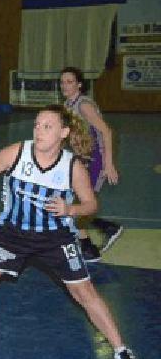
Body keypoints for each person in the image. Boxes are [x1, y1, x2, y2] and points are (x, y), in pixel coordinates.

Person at [0, 105, 150, 359]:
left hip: (56, 237)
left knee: (85, 294)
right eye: (37, 125)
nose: (39, 131)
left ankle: (122, 352)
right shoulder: (16, 152)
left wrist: (69, 210)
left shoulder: (71, 167)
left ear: (63, 133)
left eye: (47, 126)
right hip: (12, 233)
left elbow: (91, 203)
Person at [60, 66, 122, 263]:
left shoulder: (84, 105)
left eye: (70, 82)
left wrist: (109, 164)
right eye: (62, 82)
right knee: (73, 204)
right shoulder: (67, 105)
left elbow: (107, 132)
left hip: (95, 161)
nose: (65, 85)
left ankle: (90, 249)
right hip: (82, 160)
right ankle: (106, 229)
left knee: (79, 205)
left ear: (79, 84)